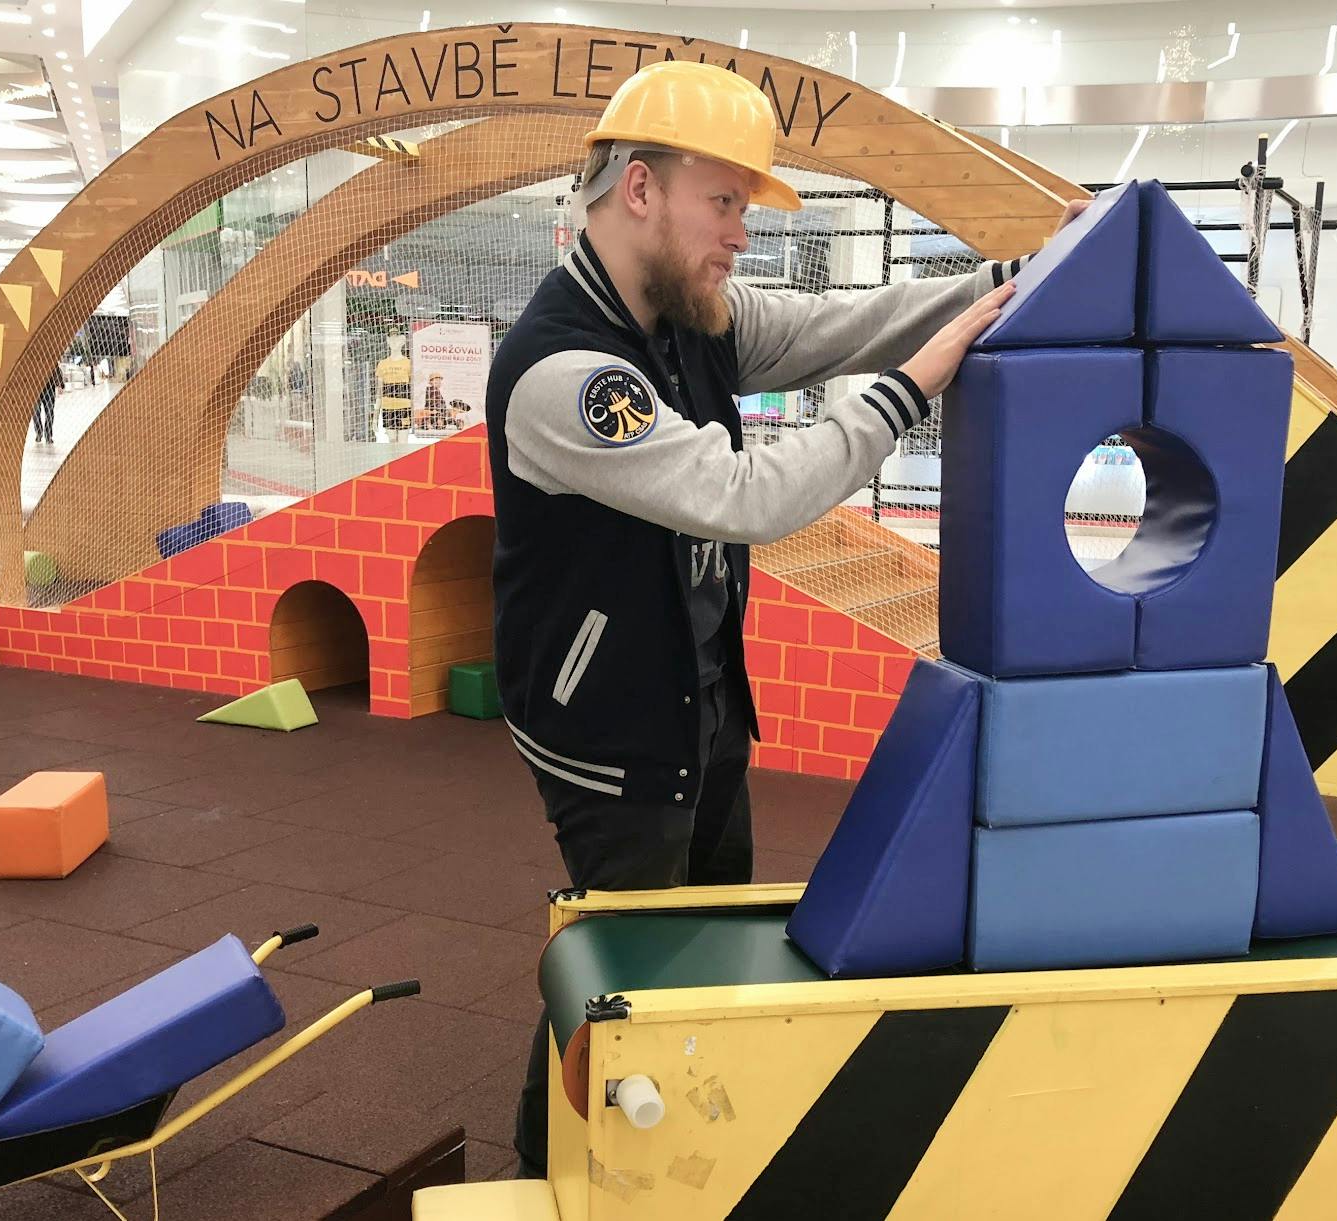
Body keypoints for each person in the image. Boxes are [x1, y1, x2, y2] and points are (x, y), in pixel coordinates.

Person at [485, 60, 1083, 1179]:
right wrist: (909, 390)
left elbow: (839, 322)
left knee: (706, 936)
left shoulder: (688, 315)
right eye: (726, 203)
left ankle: (683, 1142)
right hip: (608, 729)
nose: (741, 234)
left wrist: (1023, 280)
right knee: (614, 966)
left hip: (697, 698)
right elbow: (745, 496)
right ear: (641, 190)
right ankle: (543, 1166)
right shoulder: (563, 371)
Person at [33, 364, 65, 444]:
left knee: (49, 413)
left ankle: (48, 435)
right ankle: (39, 432)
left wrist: (60, 385)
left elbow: (56, 370)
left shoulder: (49, 357)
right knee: (35, 413)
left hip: (49, 389)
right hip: (35, 389)